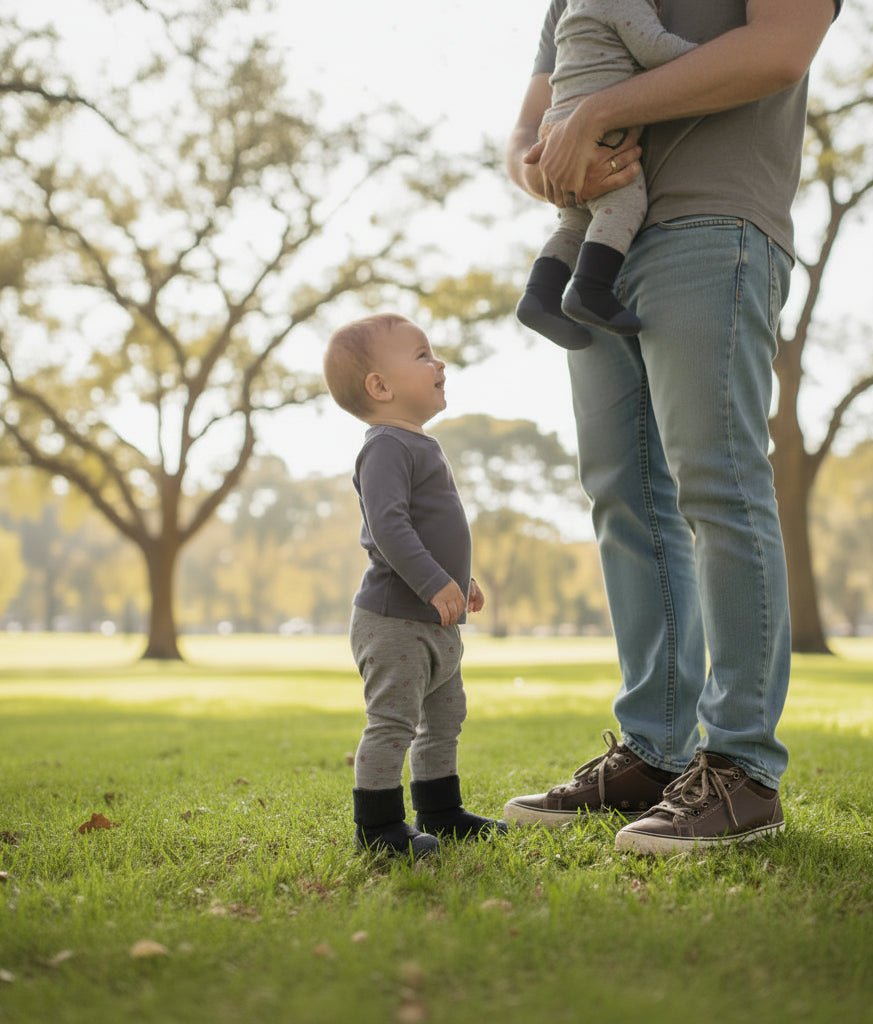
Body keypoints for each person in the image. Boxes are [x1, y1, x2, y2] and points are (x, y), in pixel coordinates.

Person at [503, 0, 842, 854]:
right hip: (596, 241)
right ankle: (654, 753)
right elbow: (527, 131)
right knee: (624, 497)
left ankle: (741, 768)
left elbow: (779, 50)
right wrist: (547, 168)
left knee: (717, 484)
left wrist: (598, 113)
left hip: (712, 223)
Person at [323, 313, 507, 859]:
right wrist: (432, 581)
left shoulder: (417, 443)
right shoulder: (384, 446)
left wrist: (458, 580)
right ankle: (377, 827)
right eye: (423, 355)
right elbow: (389, 527)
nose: (438, 362)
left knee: (445, 718)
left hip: (434, 618)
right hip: (395, 622)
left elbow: (431, 528)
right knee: (393, 723)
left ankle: (441, 812)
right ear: (380, 387)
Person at [516, 0, 695, 349]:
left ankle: (540, 295)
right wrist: (710, 57)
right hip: (595, 133)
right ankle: (591, 288)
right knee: (625, 203)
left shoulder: (574, 10)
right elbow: (656, 49)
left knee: (575, 221)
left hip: (558, 127)